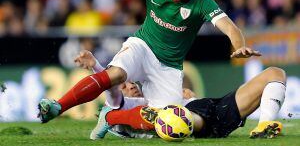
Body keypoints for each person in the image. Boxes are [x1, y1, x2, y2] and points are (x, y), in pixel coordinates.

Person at [38, 0, 261, 123]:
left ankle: (111, 118)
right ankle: (58, 106)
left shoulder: (202, 1)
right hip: (142, 47)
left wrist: (239, 45)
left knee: (169, 119)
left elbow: (231, 27)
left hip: (169, 68)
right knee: (116, 74)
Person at [90, 66, 286, 139]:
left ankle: (264, 125)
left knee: (274, 73)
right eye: (124, 87)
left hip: (215, 110)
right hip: (190, 121)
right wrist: (94, 67)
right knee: (171, 117)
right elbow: (110, 86)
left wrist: (184, 98)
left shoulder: (152, 96)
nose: (131, 87)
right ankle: (183, 117)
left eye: (132, 83)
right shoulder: (125, 105)